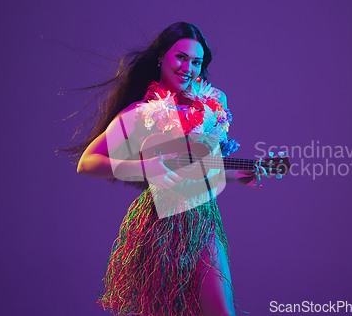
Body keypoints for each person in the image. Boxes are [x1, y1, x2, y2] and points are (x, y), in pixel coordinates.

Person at [63, 22, 266, 316]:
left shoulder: (209, 110)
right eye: (181, 57)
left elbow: (197, 172)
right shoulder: (140, 114)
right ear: (161, 57)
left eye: (196, 62)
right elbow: (88, 163)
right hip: (159, 226)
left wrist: (236, 176)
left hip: (203, 222)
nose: (189, 68)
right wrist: (145, 167)